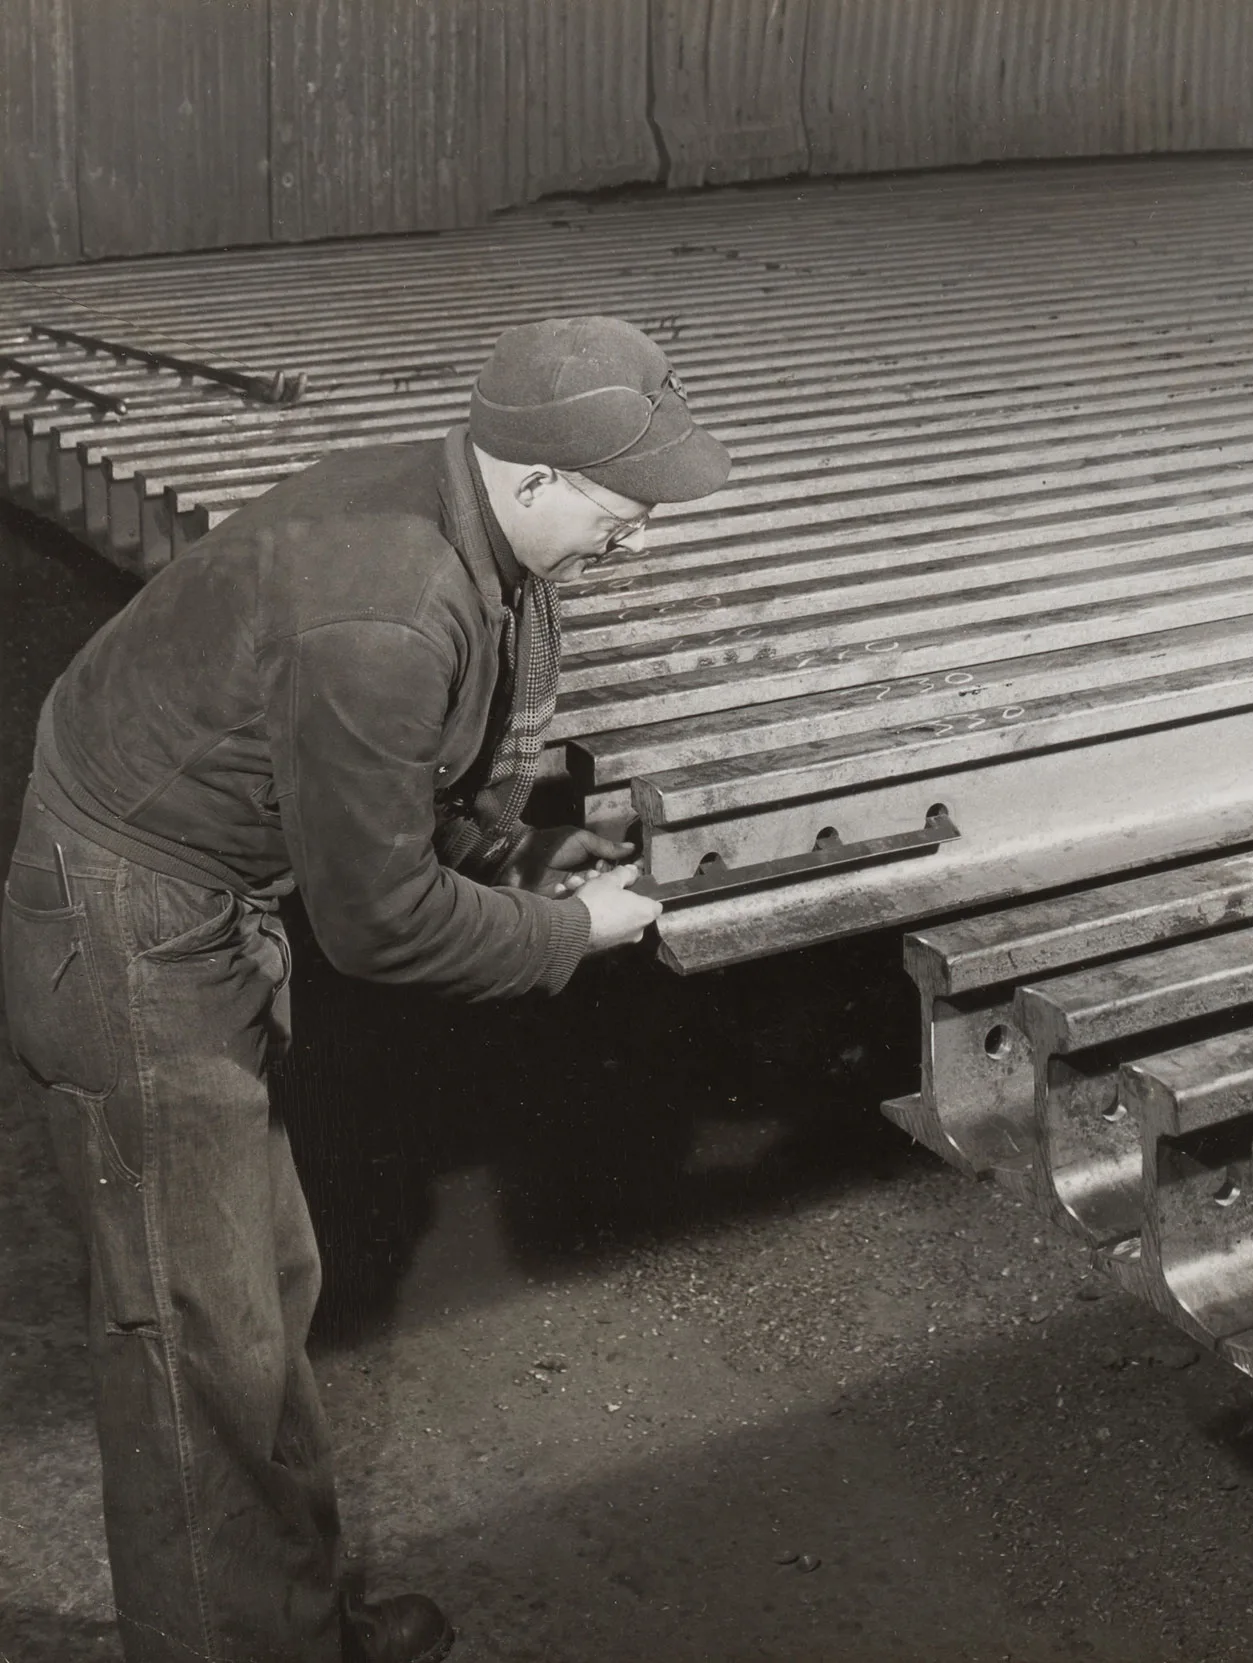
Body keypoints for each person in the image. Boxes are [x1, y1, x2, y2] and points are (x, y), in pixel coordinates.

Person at [1, 316, 730, 1663]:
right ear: (535, 480)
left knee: (259, 1289)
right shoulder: (388, 607)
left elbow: (401, 785)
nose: (641, 545)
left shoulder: (466, 521)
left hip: (204, 891)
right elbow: (381, 924)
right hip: (128, 919)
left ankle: (284, 1622)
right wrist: (568, 930)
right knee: (197, 1335)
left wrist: (522, 858)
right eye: (623, 522)